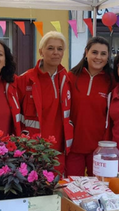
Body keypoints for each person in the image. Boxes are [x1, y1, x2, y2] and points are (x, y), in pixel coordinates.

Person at [14, 30, 74, 172]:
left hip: (59, 149)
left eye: (60, 49)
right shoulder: (25, 79)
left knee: (57, 189)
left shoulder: (67, 79)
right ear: (41, 52)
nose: (56, 52)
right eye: (50, 48)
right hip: (33, 149)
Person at [67, 36, 115, 176]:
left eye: (103, 54)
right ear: (86, 52)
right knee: (73, 190)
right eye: (94, 52)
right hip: (73, 147)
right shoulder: (71, 77)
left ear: (108, 57)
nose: (98, 57)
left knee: (99, 190)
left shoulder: (112, 81)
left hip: (100, 148)